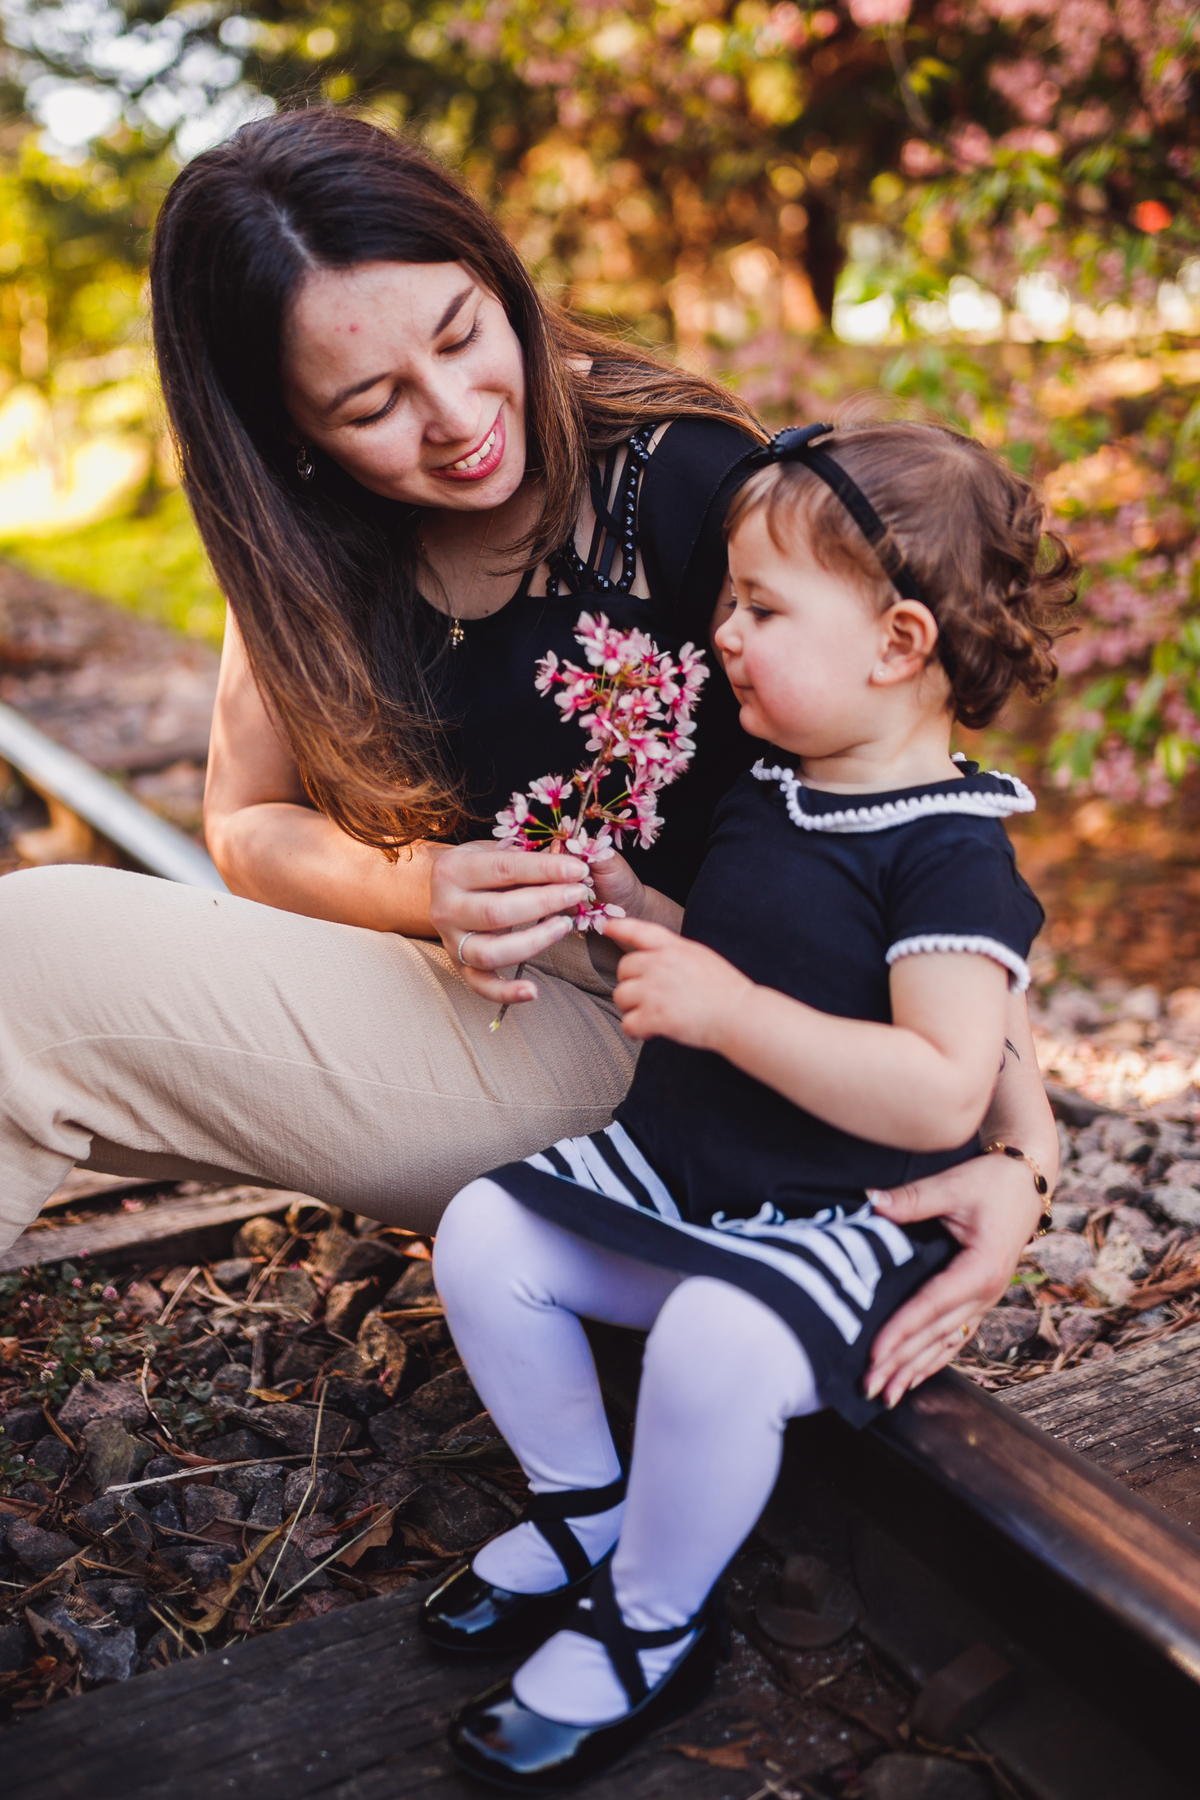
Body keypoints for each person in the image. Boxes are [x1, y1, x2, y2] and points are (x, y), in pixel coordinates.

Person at [0, 109, 1055, 1411]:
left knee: (25, 965)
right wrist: (425, 886)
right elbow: (246, 819)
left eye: (460, 335)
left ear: (500, 281)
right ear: (287, 437)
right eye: (372, 403)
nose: (455, 420)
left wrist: (1025, 1145)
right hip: (484, 991)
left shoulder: (685, 487)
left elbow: (919, 818)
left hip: (690, 1047)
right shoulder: (302, 544)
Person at [427, 417, 1078, 1790]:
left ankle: (656, 1625)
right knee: (485, 1237)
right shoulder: (775, 788)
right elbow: (736, 941)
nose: (720, 630)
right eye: (729, 599)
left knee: (718, 1342)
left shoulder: (954, 857)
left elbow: (942, 1086)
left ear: (898, 645)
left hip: (843, 1211)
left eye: (761, 606)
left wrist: (729, 1014)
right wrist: (638, 912)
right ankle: (588, 1510)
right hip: (692, 1167)